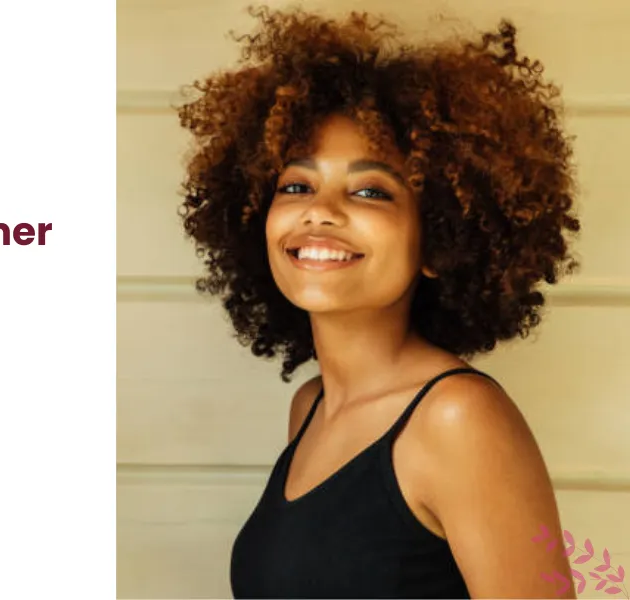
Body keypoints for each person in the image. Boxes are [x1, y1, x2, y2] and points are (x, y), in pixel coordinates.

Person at [176, 6, 581, 598]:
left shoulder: (458, 420)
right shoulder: (309, 407)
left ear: (438, 242)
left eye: (370, 191)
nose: (320, 211)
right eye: (296, 186)